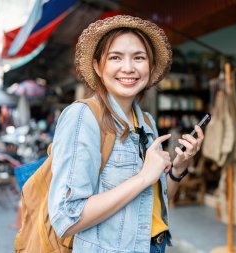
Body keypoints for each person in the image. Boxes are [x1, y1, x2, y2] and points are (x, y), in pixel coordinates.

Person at [48, 15, 205, 253]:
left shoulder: (146, 123)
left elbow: (155, 202)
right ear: (98, 66)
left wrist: (179, 169)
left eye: (139, 58)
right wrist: (143, 177)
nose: (129, 68)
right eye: (115, 57)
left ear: (150, 67)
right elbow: (66, 217)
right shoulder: (83, 117)